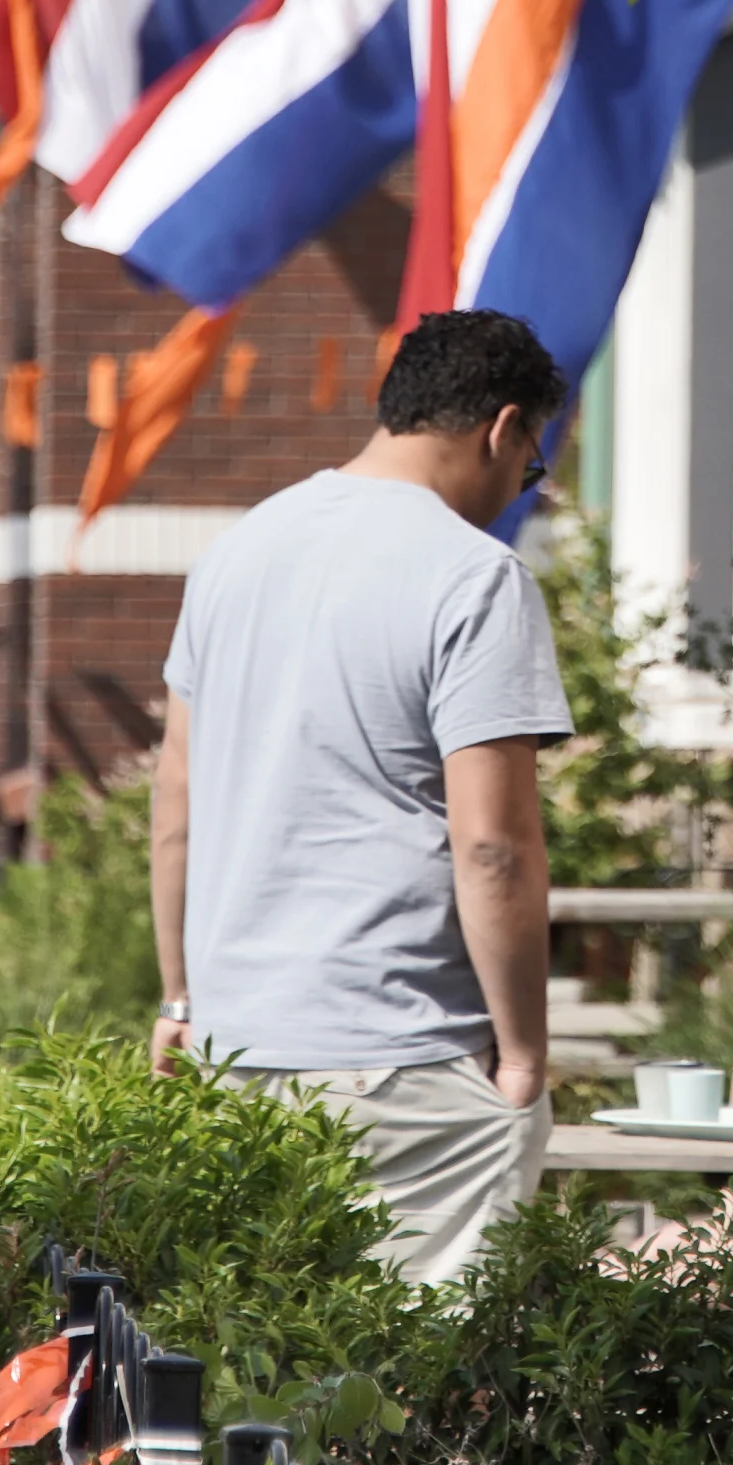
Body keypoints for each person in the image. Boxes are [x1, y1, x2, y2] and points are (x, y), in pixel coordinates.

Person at [148, 309, 575, 1284]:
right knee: (414, 1398)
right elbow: (495, 846)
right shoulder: (475, 578)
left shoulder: (235, 555)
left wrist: (180, 995)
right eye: (533, 463)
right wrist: (522, 1056)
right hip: (405, 1060)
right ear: (502, 427)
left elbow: (177, 801)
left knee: (269, 1389)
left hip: (237, 1051)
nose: (521, 487)